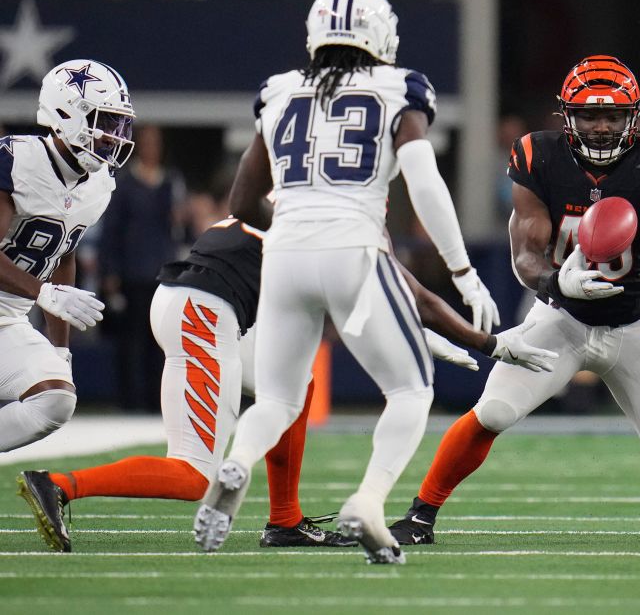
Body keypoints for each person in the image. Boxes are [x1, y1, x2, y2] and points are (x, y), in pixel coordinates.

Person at [192, 0, 504, 565]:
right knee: (410, 389)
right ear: (380, 32)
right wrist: (462, 272)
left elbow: (240, 199)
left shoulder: (279, 91)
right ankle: (369, 499)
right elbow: (423, 178)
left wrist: (300, 217)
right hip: (354, 248)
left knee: (280, 399)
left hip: (284, 252)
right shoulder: (398, 88)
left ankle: (238, 460)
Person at [16, 216, 552, 552]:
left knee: (295, 385)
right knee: (193, 475)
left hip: (205, 305)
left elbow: (360, 306)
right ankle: (61, 485)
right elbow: (408, 297)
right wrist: (487, 343)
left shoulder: (295, 200)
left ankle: (285, 520)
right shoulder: (339, 218)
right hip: (204, 312)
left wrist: (423, 337)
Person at [387, 55, 640, 546]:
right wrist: (557, 284)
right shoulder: (538, 157)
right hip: (561, 319)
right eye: (590, 115)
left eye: (613, 115)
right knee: (494, 411)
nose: (602, 127)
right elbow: (525, 254)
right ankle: (421, 514)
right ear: (568, 116)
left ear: (634, 115)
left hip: (635, 328)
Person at [0, 59, 134, 452]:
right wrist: (43, 294)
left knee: (57, 399)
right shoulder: (16, 160)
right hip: (16, 308)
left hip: (6, 321)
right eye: (104, 122)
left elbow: (64, 253)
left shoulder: (98, 186)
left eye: (118, 125)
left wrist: (61, 348)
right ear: (65, 114)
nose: (113, 137)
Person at [99, 125, 187, 412]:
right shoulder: (125, 184)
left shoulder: (171, 182)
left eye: (156, 143)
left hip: (162, 272)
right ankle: (130, 401)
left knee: (160, 341)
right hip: (133, 270)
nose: (152, 148)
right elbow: (111, 231)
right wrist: (110, 271)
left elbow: (178, 228)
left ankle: (156, 401)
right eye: (147, 143)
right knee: (132, 341)